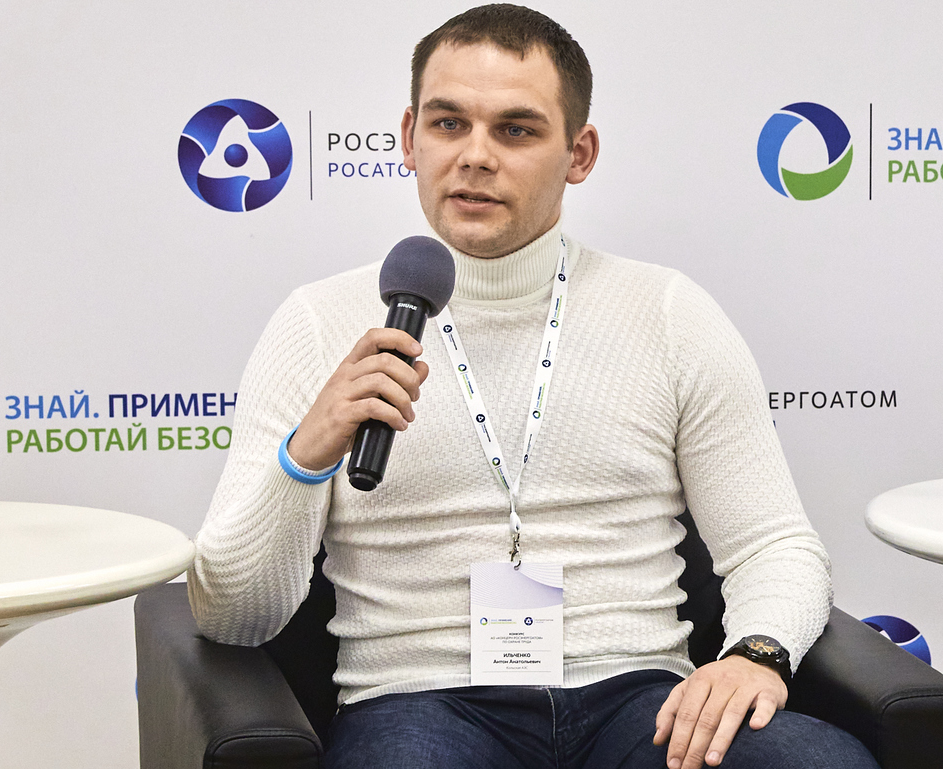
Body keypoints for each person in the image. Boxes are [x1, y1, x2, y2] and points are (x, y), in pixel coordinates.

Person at [189, 5, 879, 768]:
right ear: (410, 138)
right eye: (448, 124)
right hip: (420, 703)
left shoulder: (668, 312)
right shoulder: (318, 322)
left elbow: (775, 544)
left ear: (579, 154)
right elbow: (232, 615)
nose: (475, 156)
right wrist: (305, 455)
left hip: (640, 700)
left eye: (516, 130)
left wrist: (758, 652)